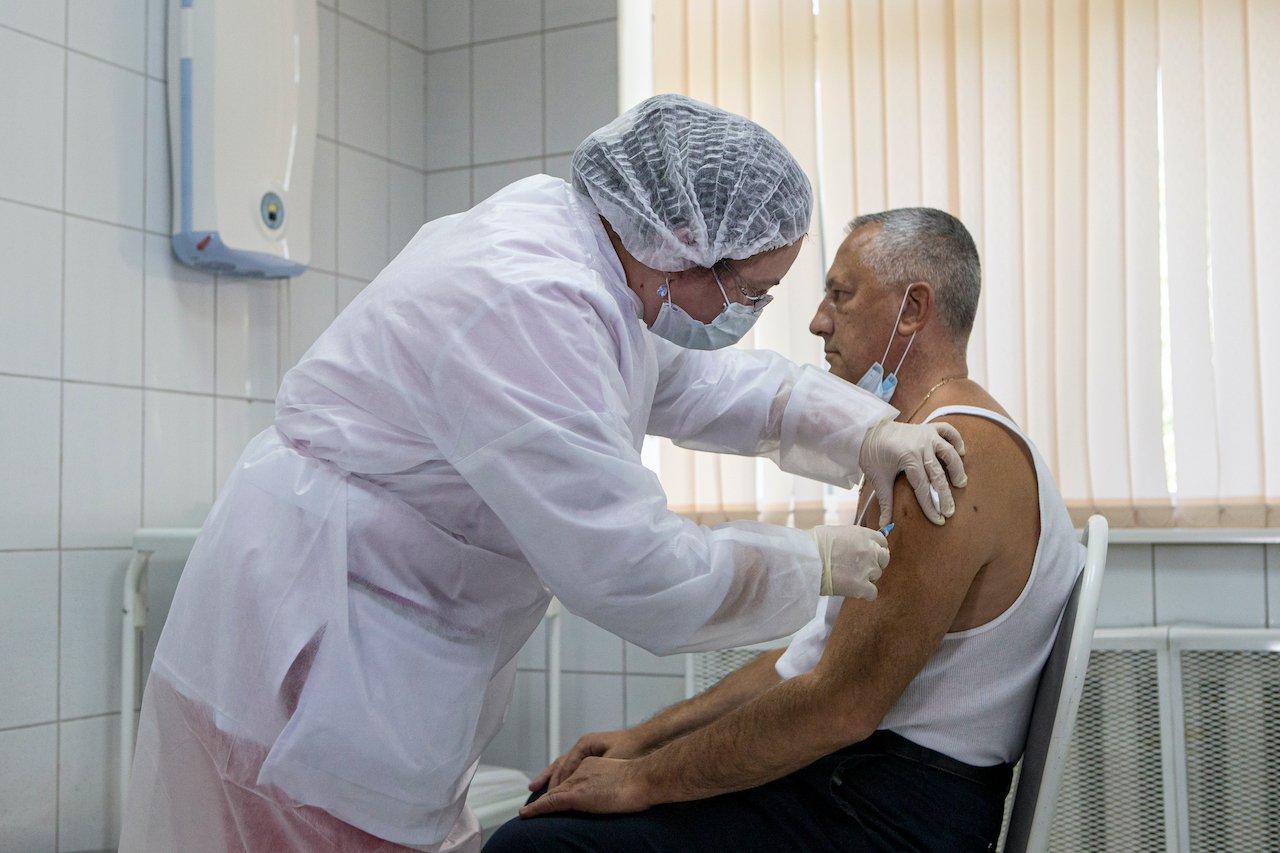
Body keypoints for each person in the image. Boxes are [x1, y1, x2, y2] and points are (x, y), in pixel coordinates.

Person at [118, 97, 967, 852]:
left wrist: (867, 431)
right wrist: (808, 562)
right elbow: (630, 565)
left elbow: (699, 386)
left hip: (375, 625)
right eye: (752, 292)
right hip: (319, 638)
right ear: (685, 250)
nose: (756, 314)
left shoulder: (596, 259)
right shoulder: (528, 297)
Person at [488, 208, 1083, 852]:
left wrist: (641, 781)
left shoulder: (953, 455)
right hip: (856, 785)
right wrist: (641, 741)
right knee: (552, 824)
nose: (818, 321)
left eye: (840, 295)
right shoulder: (912, 445)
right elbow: (809, 663)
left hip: (886, 816)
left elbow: (840, 705)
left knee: (537, 847)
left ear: (913, 309)